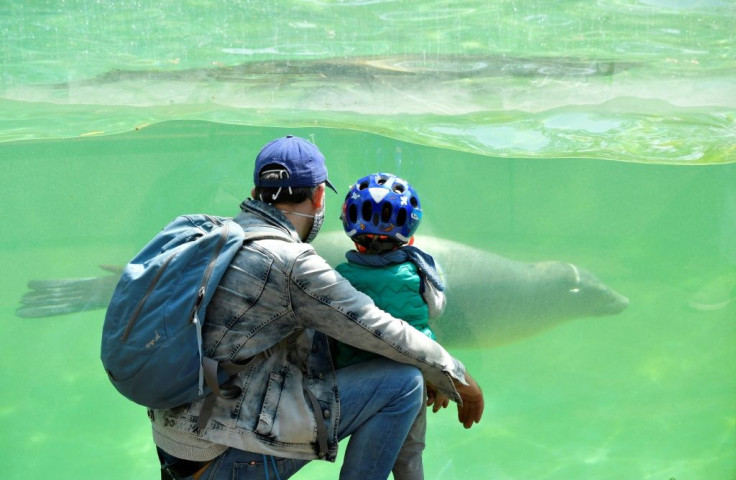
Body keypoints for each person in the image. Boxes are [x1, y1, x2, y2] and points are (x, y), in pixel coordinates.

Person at [151, 135, 484, 480]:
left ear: (255, 193)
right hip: (223, 462)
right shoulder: (293, 264)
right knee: (404, 383)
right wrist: (455, 376)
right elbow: (377, 328)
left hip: (175, 451)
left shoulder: (218, 237)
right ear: (319, 196)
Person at [335, 172, 450, 480]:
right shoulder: (420, 271)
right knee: (409, 454)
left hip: (356, 381)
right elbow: (436, 309)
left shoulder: (338, 277)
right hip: (413, 374)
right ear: (409, 235)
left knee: (364, 453)